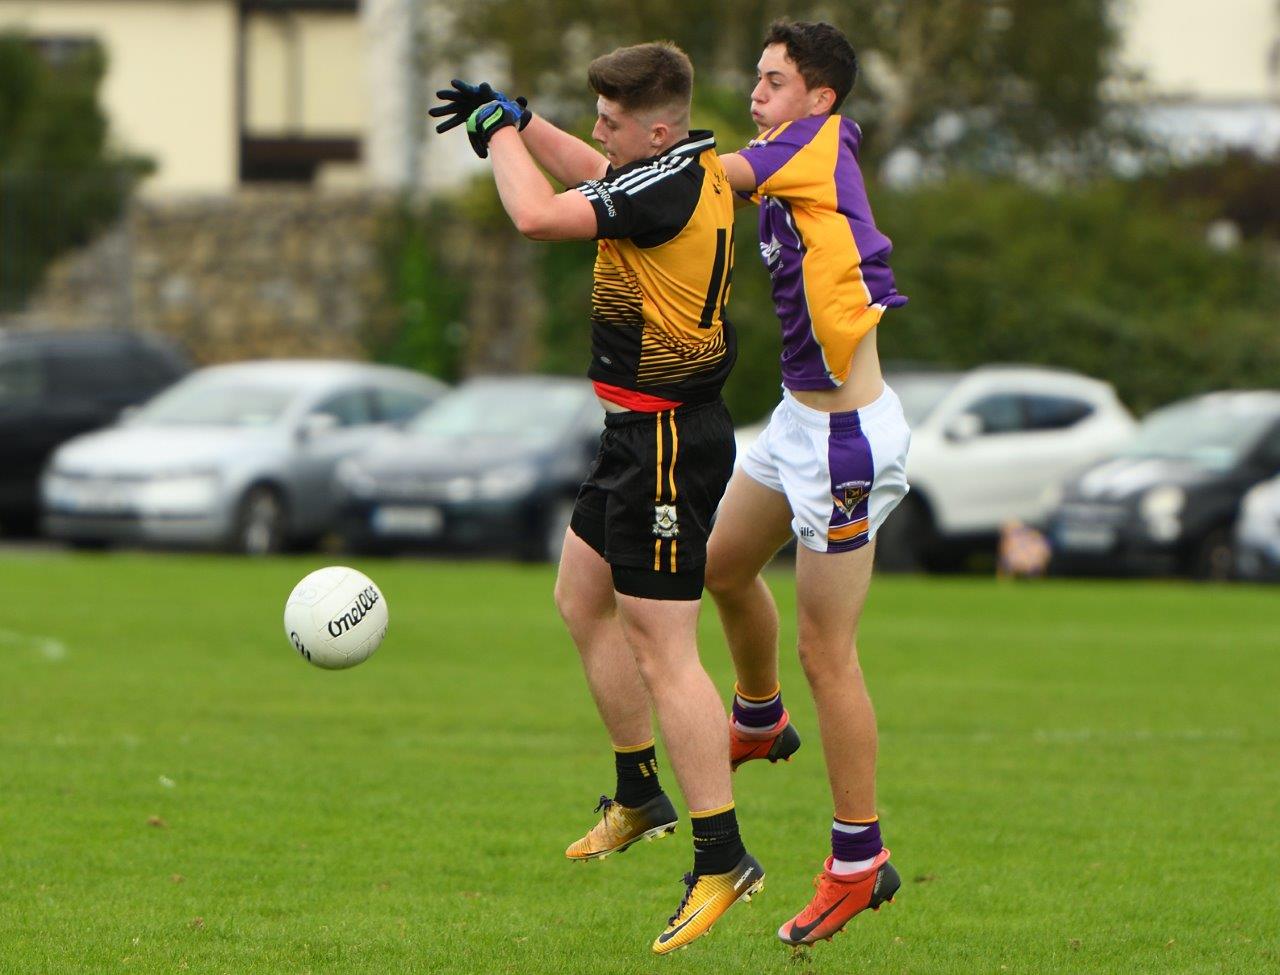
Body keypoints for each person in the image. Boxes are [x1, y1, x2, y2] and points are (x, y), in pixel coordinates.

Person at [429, 42, 762, 955]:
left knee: (665, 650)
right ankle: (638, 791)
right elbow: (593, 171)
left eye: (611, 121)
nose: (599, 134)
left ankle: (721, 856)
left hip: (666, 444)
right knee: (580, 597)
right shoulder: (678, 160)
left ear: (654, 125)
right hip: (633, 436)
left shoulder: (665, 185)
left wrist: (499, 136)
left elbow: (537, 216)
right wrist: (526, 118)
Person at [704, 20, 910, 946]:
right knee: (721, 565)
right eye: (757, 77)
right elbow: (676, 175)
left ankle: (859, 859)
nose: (757, 93)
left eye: (775, 80)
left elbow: (694, 178)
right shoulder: (794, 150)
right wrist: (532, 128)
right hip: (797, 420)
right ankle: (757, 713)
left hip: (845, 443)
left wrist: (598, 164)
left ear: (819, 99)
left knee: (832, 654)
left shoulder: (811, 145)